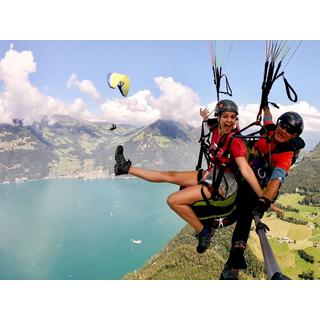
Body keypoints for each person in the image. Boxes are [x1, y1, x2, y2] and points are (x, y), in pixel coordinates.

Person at [114, 99, 265, 254]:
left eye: (233, 117)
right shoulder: (214, 129)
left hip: (224, 184)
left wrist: (263, 198)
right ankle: (125, 168)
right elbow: (209, 123)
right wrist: (204, 117)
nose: (229, 120)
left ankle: (203, 231)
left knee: (173, 200)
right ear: (218, 117)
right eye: (225, 116)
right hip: (212, 174)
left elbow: (245, 169)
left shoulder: (235, 141)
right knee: (168, 175)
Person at [220, 106, 305, 280]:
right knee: (243, 197)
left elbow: (277, 179)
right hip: (252, 168)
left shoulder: (286, 154)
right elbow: (268, 118)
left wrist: (264, 200)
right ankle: (234, 255)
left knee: (247, 207)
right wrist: (266, 106)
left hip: (264, 183)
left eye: (290, 130)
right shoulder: (270, 129)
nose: (283, 130)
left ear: (294, 136)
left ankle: (234, 262)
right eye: (283, 125)